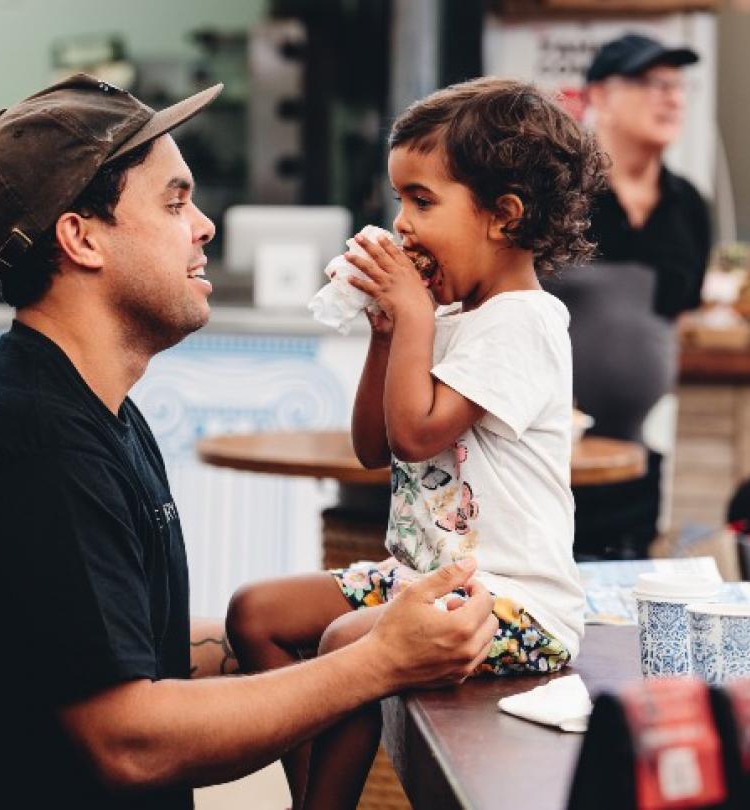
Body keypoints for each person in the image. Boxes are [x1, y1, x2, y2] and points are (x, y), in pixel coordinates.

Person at [0, 73, 500, 810]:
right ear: (81, 238)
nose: (205, 226)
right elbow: (131, 739)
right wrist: (375, 661)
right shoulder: (31, 448)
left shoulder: (85, 409)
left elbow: (103, 656)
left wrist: (318, 641)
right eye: (176, 202)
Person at [226, 77, 603, 810]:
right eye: (399, 199)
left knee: (346, 646)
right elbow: (375, 445)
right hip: (422, 582)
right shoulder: (449, 316)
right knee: (257, 612)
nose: (401, 224)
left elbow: (419, 429)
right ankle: (311, 790)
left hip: (512, 603)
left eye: (421, 201)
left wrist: (413, 315)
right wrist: (389, 331)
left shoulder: (525, 322)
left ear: (503, 216)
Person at [545, 33, 710, 559]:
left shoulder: (689, 206)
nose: (671, 97)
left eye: (677, 85)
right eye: (649, 82)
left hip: (639, 460)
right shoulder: (557, 193)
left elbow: (673, 316)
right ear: (600, 96)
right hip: (548, 455)